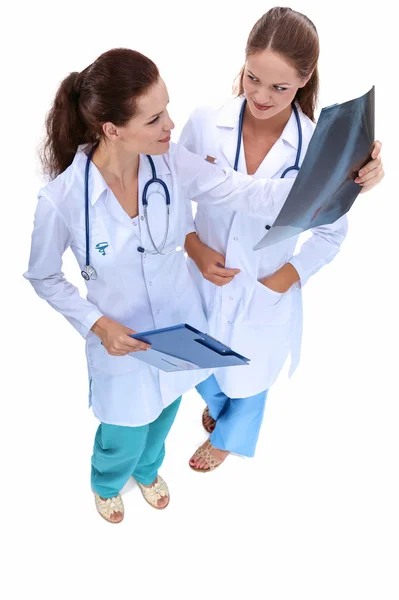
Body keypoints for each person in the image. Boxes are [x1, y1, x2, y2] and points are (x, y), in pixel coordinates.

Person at [24, 47, 302, 523]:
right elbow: (45, 275)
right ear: (112, 129)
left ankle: (149, 471)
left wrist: (336, 181)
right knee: (124, 431)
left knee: (165, 417)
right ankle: (107, 482)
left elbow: (245, 191)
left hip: (179, 330)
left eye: (167, 108)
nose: (170, 125)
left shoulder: (172, 163)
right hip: (122, 345)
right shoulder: (62, 199)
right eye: (154, 119)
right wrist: (96, 325)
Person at [179, 7, 385, 472]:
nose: (260, 96)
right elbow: (171, 195)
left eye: (280, 87)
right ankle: (217, 404)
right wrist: (193, 246)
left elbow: (331, 231)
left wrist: (286, 277)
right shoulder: (206, 121)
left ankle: (231, 436)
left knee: (251, 377)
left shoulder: (317, 147)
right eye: (253, 78)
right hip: (200, 276)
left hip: (263, 287)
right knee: (195, 358)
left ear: (305, 79)